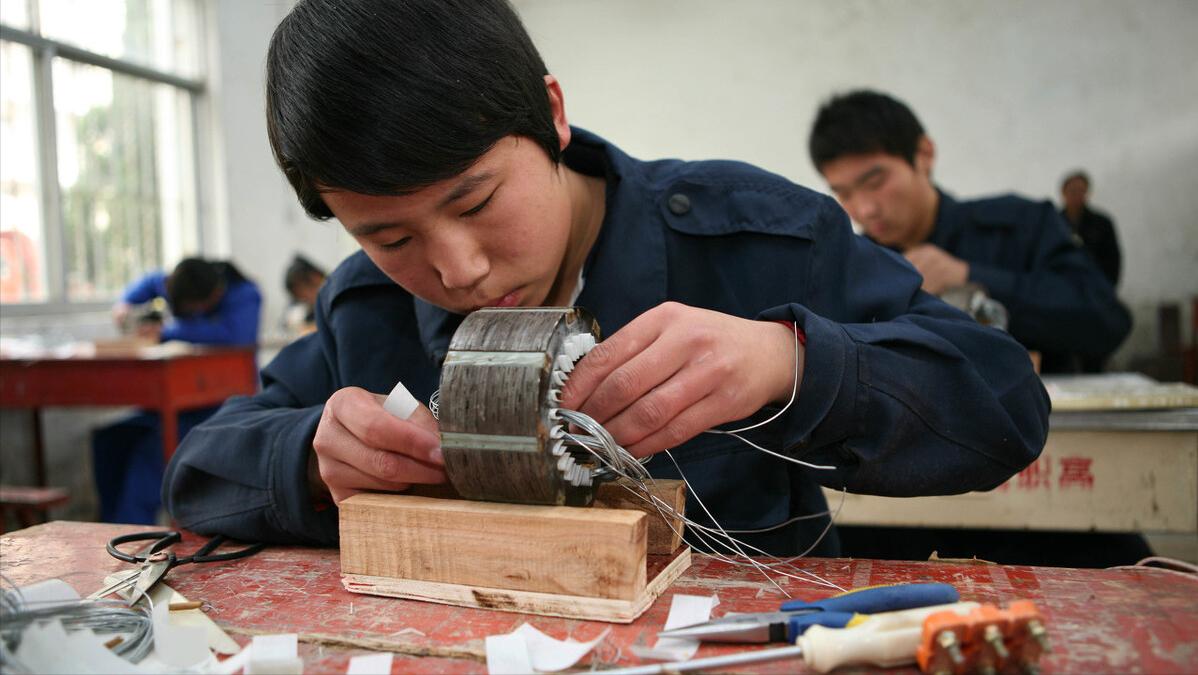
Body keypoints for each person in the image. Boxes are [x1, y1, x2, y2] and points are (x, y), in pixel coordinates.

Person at [163, 0, 1049, 556]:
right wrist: (311, 460)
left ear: (551, 115)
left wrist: (789, 363)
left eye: (475, 201)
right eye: (389, 235)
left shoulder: (750, 238)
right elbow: (197, 472)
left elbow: (1007, 404)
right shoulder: (368, 307)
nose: (456, 270)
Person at [808, 90, 1131, 374]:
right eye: (844, 194)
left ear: (924, 155)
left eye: (875, 183)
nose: (865, 210)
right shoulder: (853, 266)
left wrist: (969, 277)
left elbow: (1107, 321)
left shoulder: (1018, 225)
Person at [95, 257, 261, 524]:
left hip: (222, 407)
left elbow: (235, 336)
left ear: (212, 297)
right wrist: (125, 304)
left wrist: (167, 332)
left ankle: (132, 540)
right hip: (177, 403)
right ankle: (108, 528)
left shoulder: (244, 295)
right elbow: (151, 283)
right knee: (110, 440)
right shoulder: (182, 285)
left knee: (149, 456)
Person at [1060, 171, 1121, 287]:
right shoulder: (1054, 224)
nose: (1077, 195)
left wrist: (1107, 289)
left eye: (1081, 191)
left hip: (1095, 288)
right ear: (1063, 192)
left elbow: (1112, 260)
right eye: (1072, 191)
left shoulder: (1102, 223)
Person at [282, 254, 327, 335]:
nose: (306, 300)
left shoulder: (338, 296)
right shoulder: (309, 309)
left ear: (316, 278)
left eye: (304, 295)